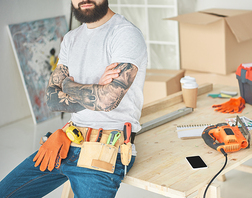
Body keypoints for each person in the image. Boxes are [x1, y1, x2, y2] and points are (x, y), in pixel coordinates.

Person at [0, 0, 147, 197]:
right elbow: (52, 99)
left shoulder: (124, 34)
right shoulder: (71, 39)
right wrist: (96, 89)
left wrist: (68, 86)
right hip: (66, 139)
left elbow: (107, 101)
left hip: (106, 150)